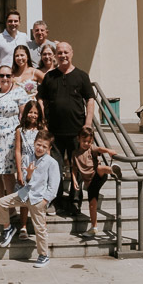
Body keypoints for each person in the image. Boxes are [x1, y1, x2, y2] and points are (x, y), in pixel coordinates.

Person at [37, 42, 96, 213]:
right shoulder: (49, 76)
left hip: (77, 131)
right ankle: (54, 200)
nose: (63, 55)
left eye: (65, 52)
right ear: (55, 55)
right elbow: (41, 98)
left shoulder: (82, 76)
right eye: (59, 52)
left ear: (72, 53)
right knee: (54, 168)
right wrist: (43, 120)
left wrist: (88, 124)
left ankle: (75, 201)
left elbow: (90, 99)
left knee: (76, 167)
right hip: (54, 132)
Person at [0, 129, 59, 268]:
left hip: (38, 199)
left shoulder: (52, 163)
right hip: (24, 195)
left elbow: (53, 187)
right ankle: (8, 228)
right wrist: (29, 174)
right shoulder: (27, 158)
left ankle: (43, 255)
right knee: (2, 202)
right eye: (38, 144)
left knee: (40, 229)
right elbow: (25, 181)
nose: (40, 148)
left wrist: (45, 201)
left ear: (49, 148)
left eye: (44, 146)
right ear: (34, 143)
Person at [0, 65, 28, 215]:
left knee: (8, 173)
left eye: (8, 75)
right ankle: (1, 203)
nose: (5, 78)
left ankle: (10, 207)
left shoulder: (19, 92)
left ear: (12, 77)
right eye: (2, 75)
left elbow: (24, 116)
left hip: (10, 137)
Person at [71, 126, 121, 237]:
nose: (86, 144)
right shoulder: (75, 154)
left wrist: (109, 151)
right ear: (78, 139)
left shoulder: (91, 149)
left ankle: (112, 170)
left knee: (99, 168)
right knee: (92, 205)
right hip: (90, 184)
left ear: (92, 141)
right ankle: (94, 227)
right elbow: (74, 169)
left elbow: (99, 149)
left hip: (98, 176)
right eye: (84, 141)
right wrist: (74, 180)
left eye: (89, 142)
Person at [14, 100, 46, 239]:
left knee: (39, 197)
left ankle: (41, 226)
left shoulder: (42, 130)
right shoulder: (20, 130)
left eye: (35, 113)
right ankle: (23, 226)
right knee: (25, 197)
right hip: (26, 165)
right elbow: (18, 151)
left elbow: (47, 150)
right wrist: (19, 172)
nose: (33, 115)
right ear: (25, 113)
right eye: (30, 112)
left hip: (39, 164)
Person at [0, 10, 29, 79]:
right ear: (6, 22)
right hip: (5, 77)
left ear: (19, 22)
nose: (13, 23)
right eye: (10, 21)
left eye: (15, 21)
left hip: (21, 77)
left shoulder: (24, 37)